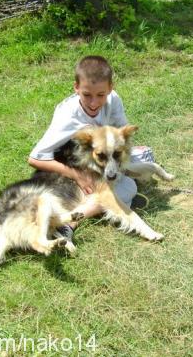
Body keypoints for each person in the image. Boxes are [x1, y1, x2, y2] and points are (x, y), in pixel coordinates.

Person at [27, 55, 149, 238]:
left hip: (104, 160)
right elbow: (35, 158)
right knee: (129, 186)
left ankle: (112, 199)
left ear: (110, 89)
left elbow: (120, 135)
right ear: (76, 88)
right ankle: (70, 224)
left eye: (101, 95)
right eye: (87, 95)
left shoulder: (113, 99)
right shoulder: (68, 118)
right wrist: (78, 176)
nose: (94, 103)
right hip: (75, 167)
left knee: (147, 156)